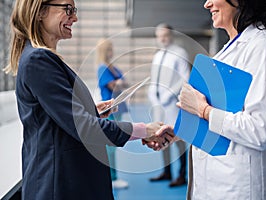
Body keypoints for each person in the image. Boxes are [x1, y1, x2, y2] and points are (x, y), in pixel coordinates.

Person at [3, 0, 169, 199]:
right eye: (68, 10)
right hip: (59, 184)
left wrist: (91, 110)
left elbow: (57, 118)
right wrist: (145, 130)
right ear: (40, 11)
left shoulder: (40, 58)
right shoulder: (39, 61)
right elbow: (84, 128)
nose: (75, 17)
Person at [150, 0, 266, 199]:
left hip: (239, 186)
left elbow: (261, 131)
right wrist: (182, 131)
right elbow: (224, 115)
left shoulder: (262, 47)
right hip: (213, 184)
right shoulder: (225, 53)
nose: (207, 4)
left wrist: (203, 111)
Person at [148, 23, 190, 187]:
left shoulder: (179, 53)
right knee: (160, 135)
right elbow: (154, 78)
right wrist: (153, 94)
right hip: (158, 104)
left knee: (178, 137)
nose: (162, 39)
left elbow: (184, 77)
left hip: (172, 103)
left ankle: (181, 175)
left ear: (171, 35)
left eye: (165, 35)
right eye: (159, 36)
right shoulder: (158, 55)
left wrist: (169, 93)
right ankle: (167, 172)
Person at [96, 38, 129, 189]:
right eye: (108, 49)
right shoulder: (103, 68)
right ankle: (112, 178)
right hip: (108, 110)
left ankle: (112, 176)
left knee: (113, 145)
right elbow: (114, 84)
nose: (111, 52)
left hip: (118, 108)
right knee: (110, 145)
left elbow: (124, 83)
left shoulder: (112, 68)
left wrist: (119, 83)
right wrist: (119, 83)